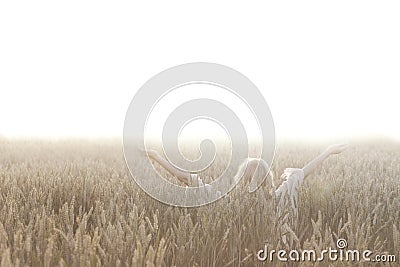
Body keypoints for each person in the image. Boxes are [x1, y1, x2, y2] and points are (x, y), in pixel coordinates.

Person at [143, 144, 348, 216]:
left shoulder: (226, 202)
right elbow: (302, 173)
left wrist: (157, 157)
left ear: (240, 179)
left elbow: (188, 179)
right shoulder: (279, 198)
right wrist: (328, 151)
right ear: (268, 179)